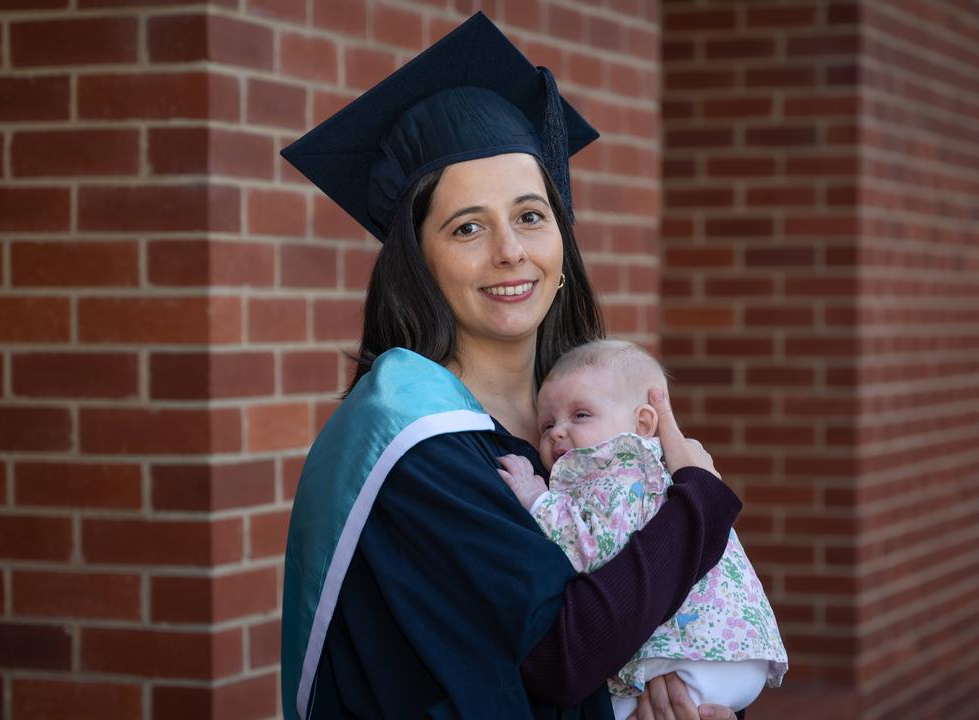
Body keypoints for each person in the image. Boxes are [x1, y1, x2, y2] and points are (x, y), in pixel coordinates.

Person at [279, 12, 744, 719]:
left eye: (530, 215)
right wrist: (700, 506)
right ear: (419, 263)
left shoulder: (585, 419)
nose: (510, 251)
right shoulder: (412, 446)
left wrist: (697, 701)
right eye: (467, 227)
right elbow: (558, 655)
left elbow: (688, 613)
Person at [496, 340, 789, 719]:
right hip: (731, 654)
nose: (557, 432)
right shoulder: (659, 473)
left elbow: (593, 550)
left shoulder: (622, 476)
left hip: (700, 652)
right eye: (547, 423)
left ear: (643, 423)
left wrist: (537, 500)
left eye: (580, 415)